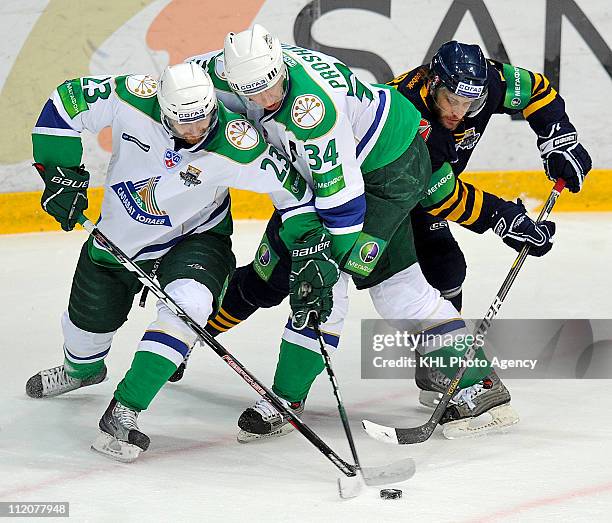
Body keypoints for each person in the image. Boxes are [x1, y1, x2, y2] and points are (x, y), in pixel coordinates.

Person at [181, 26, 558, 441]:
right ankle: (477, 382)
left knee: (336, 281)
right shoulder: (211, 74)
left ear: (280, 67)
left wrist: (502, 217)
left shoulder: (313, 110)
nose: (267, 102)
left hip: (379, 180)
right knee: (277, 277)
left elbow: (345, 198)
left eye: (272, 88)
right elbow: (173, 90)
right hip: (353, 168)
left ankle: (288, 398)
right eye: (253, 94)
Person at [26, 62, 336, 462]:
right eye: (183, 124)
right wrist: (59, 174)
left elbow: (293, 197)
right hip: (118, 240)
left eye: (203, 120)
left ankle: (125, 409)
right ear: (162, 108)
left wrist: (311, 244)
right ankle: (82, 369)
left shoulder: (237, 142)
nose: (194, 132)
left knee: (189, 308)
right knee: (86, 333)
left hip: (196, 239)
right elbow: (64, 104)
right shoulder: (131, 97)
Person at [386, 40, 591, 406]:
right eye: (451, 100)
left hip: (424, 189)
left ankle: (440, 363)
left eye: (470, 105)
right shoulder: (406, 112)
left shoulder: (488, 84)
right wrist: (502, 217)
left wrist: (557, 138)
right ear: (433, 84)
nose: (459, 112)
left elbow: (535, 90)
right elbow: (439, 196)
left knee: (447, 270)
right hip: (382, 196)